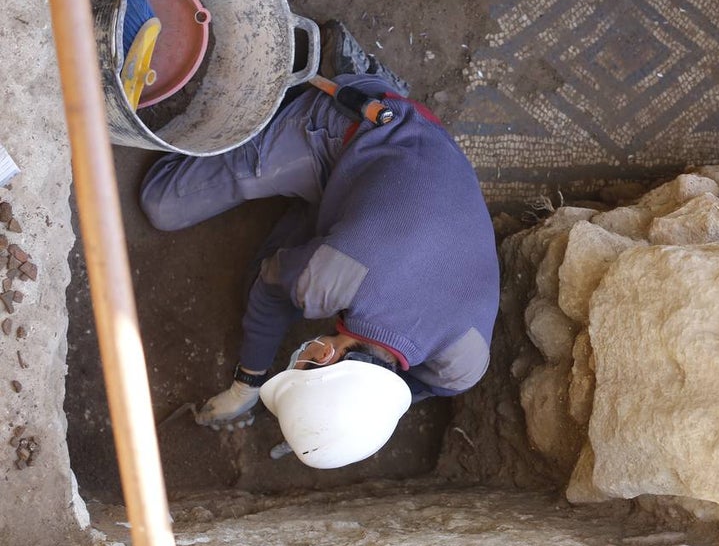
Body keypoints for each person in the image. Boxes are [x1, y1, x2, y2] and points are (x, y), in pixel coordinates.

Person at [139, 23, 500, 469]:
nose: (294, 364)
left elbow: (408, 392)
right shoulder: (331, 280)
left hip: (422, 176)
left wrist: (332, 426)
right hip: (363, 132)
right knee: (163, 203)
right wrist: (248, 382)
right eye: (299, 369)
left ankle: (331, 206)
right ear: (325, 355)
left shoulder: (464, 365)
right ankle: (351, 82)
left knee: (313, 265)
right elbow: (270, 292)